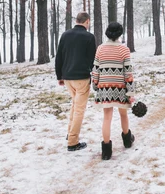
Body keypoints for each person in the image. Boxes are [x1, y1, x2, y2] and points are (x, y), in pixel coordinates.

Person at [91, 22, 135, 160]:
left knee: (107, 118)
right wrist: (131, 92)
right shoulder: (124, 50)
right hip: (120, 87)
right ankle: (127, 140)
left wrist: (95, 84)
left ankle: (106, 151)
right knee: (123, 114)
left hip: (105, 87)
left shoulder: (100, 49)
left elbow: (95, 69)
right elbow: (128, 72)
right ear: (120, 34)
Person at [55, 12, 97, 152]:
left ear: (76, 20)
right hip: (82, 78)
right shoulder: (89, 37)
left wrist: (59, 76)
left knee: (75, 105)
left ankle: (70, 133)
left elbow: (59, 57)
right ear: (87, 21)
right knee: (79, 109)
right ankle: (73, 142)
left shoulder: (65, 35)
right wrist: (95, 75)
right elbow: (92, 60)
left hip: (67, 78)